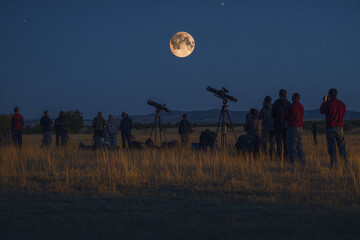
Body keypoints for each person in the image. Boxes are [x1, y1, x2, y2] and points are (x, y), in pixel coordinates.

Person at [320, 88, 347, 168]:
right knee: (341, 146)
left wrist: (324, 102)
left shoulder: (328, 104)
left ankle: (334, 164)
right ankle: (345, 163)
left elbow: (321, 110)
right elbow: (343, 113)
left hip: (330, 127)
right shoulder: (342, 104)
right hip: (340, 127)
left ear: (329, 95)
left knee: (332, 146)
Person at [284, 93, 305, 165]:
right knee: (299, 146)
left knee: (292, 146)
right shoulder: (301, 106)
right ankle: (302, 162)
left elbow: (286, 117)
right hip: (300, 127)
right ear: (299, 98)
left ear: (292, 98)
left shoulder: (290, 107)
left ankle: (294, 163)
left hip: (292, 127)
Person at [272, 89, 290, 159]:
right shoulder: (288, 103)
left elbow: (273, 114)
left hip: (277, 125)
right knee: (286, 142)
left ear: (279, 95)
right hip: (286, 125)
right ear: (286, 94)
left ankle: (279, 157)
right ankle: (286, 156)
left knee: (279, 142)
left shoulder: (276, 103)